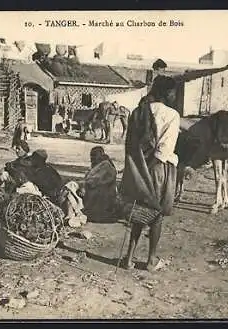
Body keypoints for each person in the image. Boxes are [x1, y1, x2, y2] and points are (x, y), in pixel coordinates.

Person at [120, 75, 180, 272]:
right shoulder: (171, 115)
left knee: (139, 211)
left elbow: (129, 145)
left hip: (137, 167)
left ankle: (128, 258)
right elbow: (164, 150)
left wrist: (139, 169)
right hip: (158, 169)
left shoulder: (137, 112)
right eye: (173, 92)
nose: (174, 95)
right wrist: (150, 171)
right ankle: (151, 260)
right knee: (156, 214)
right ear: (168, 93)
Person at [79, 146, 118, 221]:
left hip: (103, 200)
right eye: (91, 156)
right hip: (98, 196)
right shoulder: (98, 165)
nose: (92, 158)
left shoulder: (106, 165)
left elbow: (92, 181)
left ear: (101, 155)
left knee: (72, 186)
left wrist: (82, 185)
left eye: (94, 156)